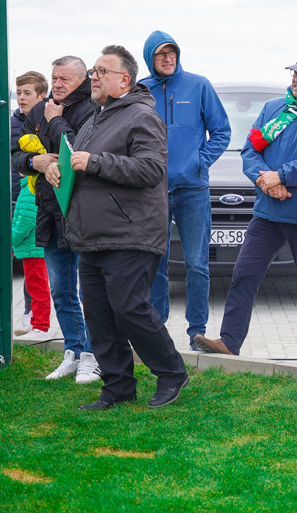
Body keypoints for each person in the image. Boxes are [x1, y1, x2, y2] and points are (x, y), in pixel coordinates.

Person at [46, 45, 189, 410]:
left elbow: (150, 170)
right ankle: (118, 386)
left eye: (100, 71)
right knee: (98, 314)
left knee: (130, 309)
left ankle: (172, 373)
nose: (93, 77)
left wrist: (94, 161)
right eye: (92, 71)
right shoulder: (96, 116)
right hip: (91, 234)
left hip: (131, 233)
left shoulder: (141, 116)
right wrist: (57, 168)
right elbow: (80, 165)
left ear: (124, 79)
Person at [194, 53, 297, 365]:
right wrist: (266, 180)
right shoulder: (273, 109)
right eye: (296, 73)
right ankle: (229, 342)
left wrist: (282, 175)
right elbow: (249, 150)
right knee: (244, 274)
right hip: (268, 211)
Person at [139, 31, 231, 348]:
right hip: (153, 191)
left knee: (196, 263)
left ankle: (197, 332)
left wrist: (200, 162)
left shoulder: (199, 85)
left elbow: (221, 131)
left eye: (172, 52)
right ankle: (157, 331)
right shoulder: (141, 91)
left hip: (193, 189)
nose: (167, 58)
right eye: (161, 53)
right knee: (156, 262)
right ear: (149, 57)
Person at [11, 56, 100, 384]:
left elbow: (81, 152)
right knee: (61, 289)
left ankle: (94, 355)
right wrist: (34, 160)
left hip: (85, 214)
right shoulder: (39, 110)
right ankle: (73, 352)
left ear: (82, 80)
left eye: (64, 79)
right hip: (50, 213)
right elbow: (15, 153)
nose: (57, 84)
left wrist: (57, 120)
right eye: (54, 78)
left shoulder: (92, 109)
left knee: (90, 291)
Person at [0, 71, 46, 332]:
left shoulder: (50, 123)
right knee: (0, 260)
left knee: (33, 260)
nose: (21, 98)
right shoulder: (8, 124)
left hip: (36, 202)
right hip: (8, 201)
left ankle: (31, 315)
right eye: (18, 93)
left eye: (27, 93)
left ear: (42, 96)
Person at [11, 176, 51, 340]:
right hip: (30, 248)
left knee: (38, 287)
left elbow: (26, 220)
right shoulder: (27, 185)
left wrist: (12, 237)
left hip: (32, 247)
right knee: (34, 286)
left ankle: (41, 327)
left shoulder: (30, 188)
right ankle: (35, 323)